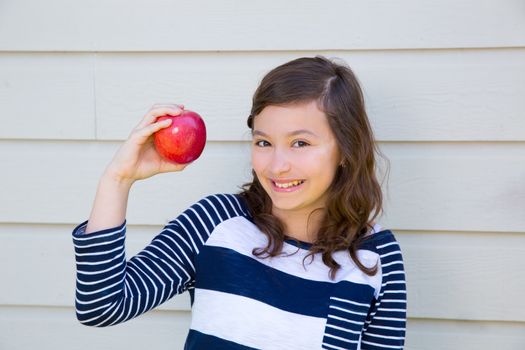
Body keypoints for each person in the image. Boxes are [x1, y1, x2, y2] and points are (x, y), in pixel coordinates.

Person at [72, 55, 407, 350]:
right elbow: (101, 306)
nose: (277, 165)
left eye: (300, 143)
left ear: (346, 150)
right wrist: (118, 179)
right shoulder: (215, 222)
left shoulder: (376, 258)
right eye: (263, 142)